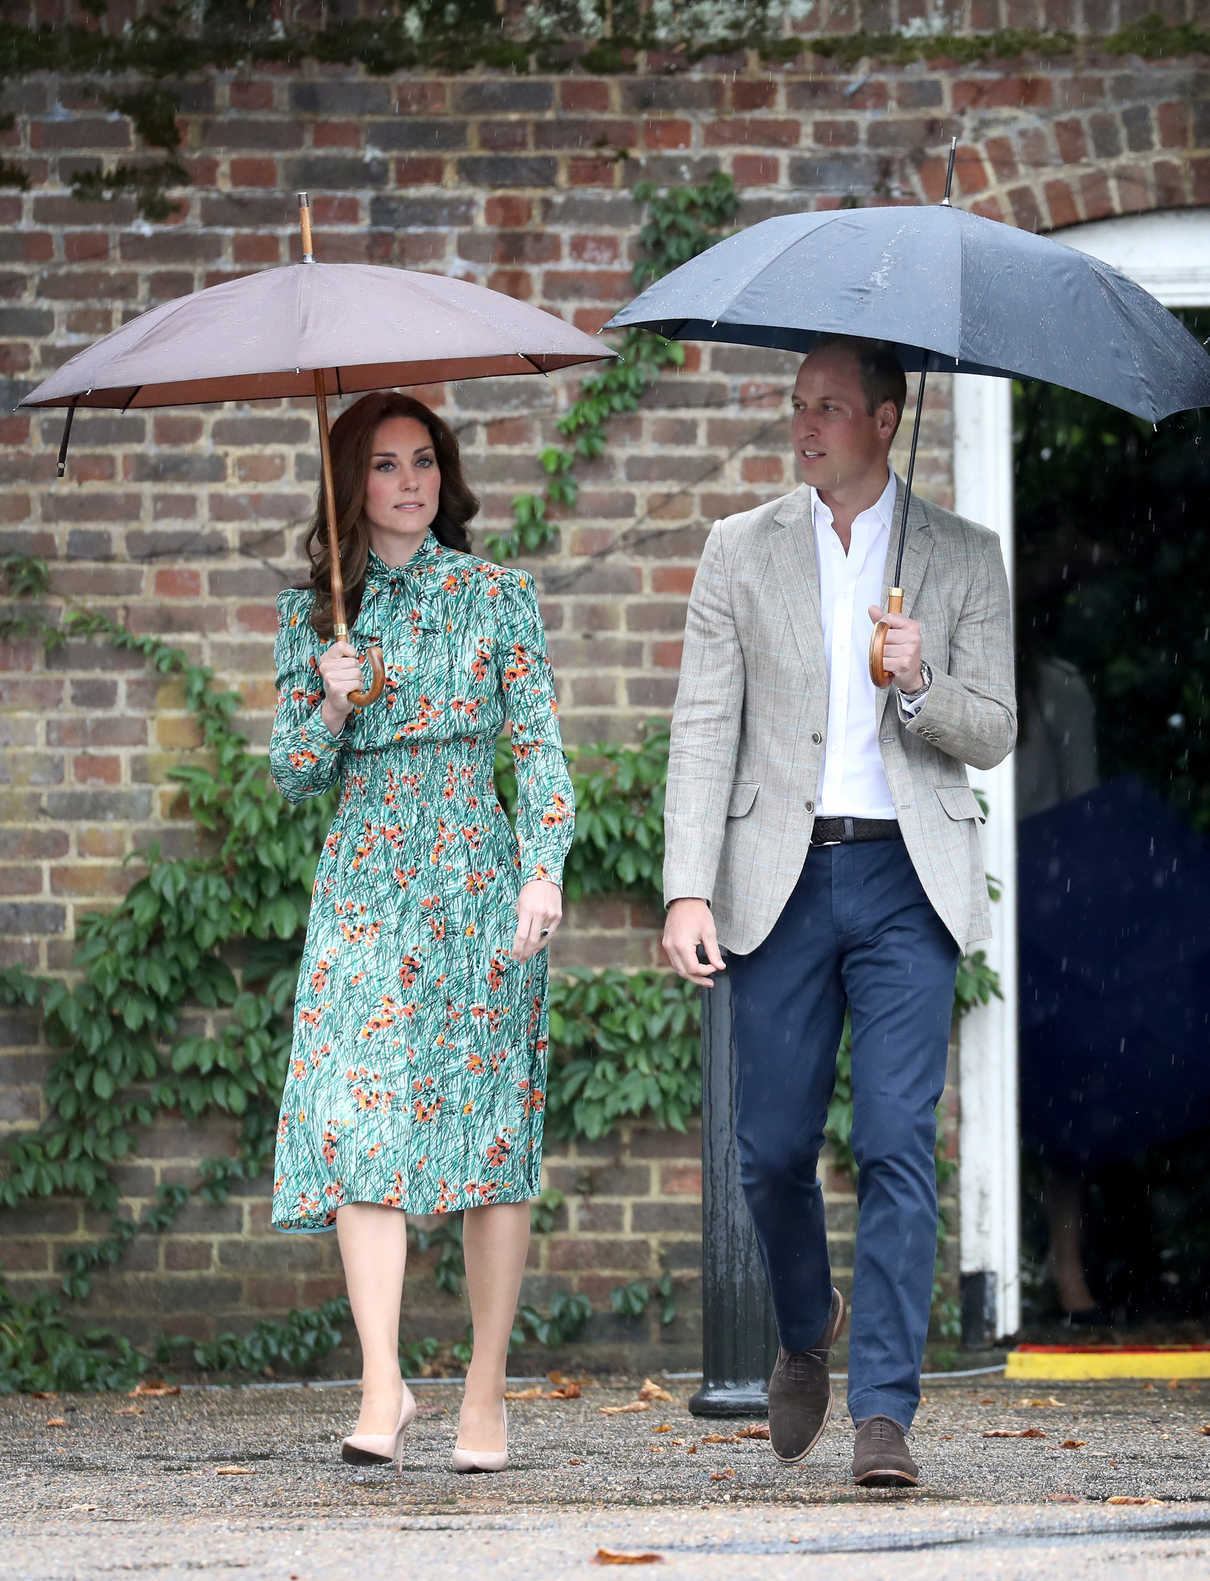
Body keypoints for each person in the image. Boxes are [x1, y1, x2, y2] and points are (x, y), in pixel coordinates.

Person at [661, 336, 1016, 1488]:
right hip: (780, 875)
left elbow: (995, 730)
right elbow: (702, 727)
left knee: (897, 1144)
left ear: (883, 416)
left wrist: (919, 681)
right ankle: (803, 1324)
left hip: (907, 877)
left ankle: (884, 1415)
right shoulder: (738, 550)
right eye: (796, 405)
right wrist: (685, 886)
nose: (803, 425)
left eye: (827, 407)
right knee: (768, 1150)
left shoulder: (963, 555)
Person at [268, 391, 574, 1474]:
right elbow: (294, 776)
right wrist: (332, 705)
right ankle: (381, 1385)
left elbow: (537, 749)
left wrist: (542, 871)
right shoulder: (315, 615)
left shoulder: (498, 595)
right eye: (387, 465)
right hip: (363, 882)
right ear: (351, 483)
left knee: (490, 1137)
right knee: (358, 1120)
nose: (410, 482)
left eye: (424, 462)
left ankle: (484, 1394)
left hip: (477, 878)